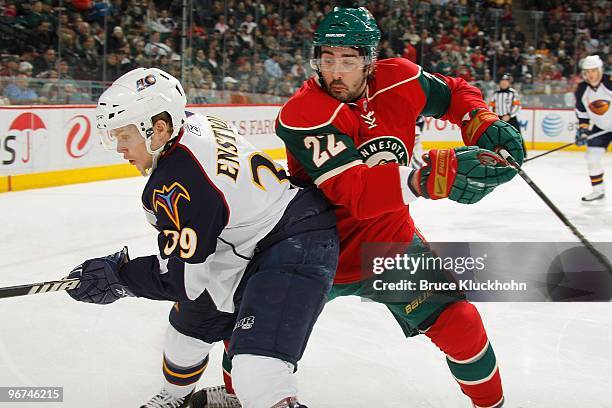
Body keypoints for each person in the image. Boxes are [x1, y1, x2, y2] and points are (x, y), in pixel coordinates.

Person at [200, 6, 523, 408]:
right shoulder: (304, 111)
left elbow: (454, 92)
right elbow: (353, 192)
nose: (334, 72)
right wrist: (428, 178)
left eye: (348, 61)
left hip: (388, 245)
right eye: (326, 59)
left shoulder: (401, 77)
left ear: (369, 61)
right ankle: (235, 396)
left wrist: (480, 120)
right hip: (314, 250)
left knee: (462, 324)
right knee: (249, 335)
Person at [66, 67, 339, 408]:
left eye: (124, 136)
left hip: (294, 242)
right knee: (185, 337)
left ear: (159, 128)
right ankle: (176, 398)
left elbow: (181, 282)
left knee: (257, 370)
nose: (119, 148)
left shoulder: (177, 183)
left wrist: (119, 278)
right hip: (243, 243)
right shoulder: (192, 122)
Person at [574, 55, 611, 202]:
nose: (591, 74)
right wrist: (583, 131)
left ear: (600, 70)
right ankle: (598, 190)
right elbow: (583, 115)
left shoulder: (609, 82)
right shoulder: (582, 90)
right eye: (587, 71)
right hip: (600, 128)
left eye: (594, 70)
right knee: (591, 158)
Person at [489, 74, 526, 157]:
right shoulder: (495, 93)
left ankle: (523, 154)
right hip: (498, 118)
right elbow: (491, 106)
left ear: (509, 83)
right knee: (496, 136)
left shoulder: (513, 93)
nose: (504, 83)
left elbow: (517, 106)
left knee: (517, 136)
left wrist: (509, 115)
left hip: (511, 118)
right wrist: (495, 116)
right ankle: (495, 154)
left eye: (506, 81)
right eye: (502, 81)